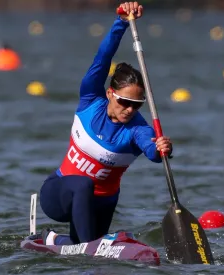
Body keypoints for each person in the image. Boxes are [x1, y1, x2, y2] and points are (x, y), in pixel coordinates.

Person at [39, 1, 173, 246]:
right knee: (83, 183)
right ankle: (87, 246)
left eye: (138, 104)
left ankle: (53, 240)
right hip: (58, 194)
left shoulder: (138, 128)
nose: (131, 109)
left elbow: (152, 152)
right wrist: (120, 23)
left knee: (85, 246)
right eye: (125, 101)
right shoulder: (91, 99)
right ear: (111, 93)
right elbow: (103, 58)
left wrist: (163, 148)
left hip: (101, 205)